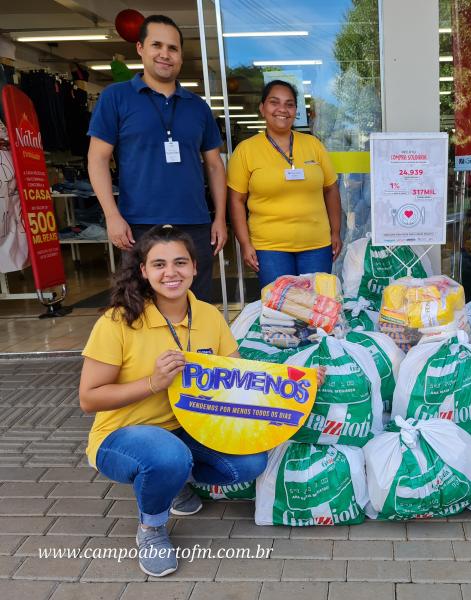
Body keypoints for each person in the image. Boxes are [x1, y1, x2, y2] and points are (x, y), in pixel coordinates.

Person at [78, 225, 267, 577]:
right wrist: (153, 382)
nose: (171, 272)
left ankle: (174, 480)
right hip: (122, 435)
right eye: (159, 264)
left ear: (195, 267)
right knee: (167, 455)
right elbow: (89, 399)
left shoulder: (209, 314)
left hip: (187, 427)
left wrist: (295, 381)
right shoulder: (117, 321)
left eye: (180, 262)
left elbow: (239, 375)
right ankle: (151, 527)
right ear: (144, 271)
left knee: (251, 461)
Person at [87, 14, 227, 302]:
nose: (165, 54)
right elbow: (98, 159)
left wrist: (220, 218)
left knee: (196, 304)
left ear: (181, 56)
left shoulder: (198, 107)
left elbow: (214, 165)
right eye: (157, 45)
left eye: (173, 48)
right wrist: (112, 216)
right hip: (138, 225)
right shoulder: (116, 97)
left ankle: (194, 350)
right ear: (140, 48)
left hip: (195, 224)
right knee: (140, 306)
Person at [227, 80, 342, 291]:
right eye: (274, 102)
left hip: (316, 245)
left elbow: (331, 188)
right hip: (270, 248)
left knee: (317, 310)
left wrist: (336, 232)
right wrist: (245, 243)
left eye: (289, 104)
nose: (282, 109)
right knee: (280, 315)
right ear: (262, 108)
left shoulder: (313, 145)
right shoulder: (246, 150)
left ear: (296, 111)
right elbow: (236, 200)